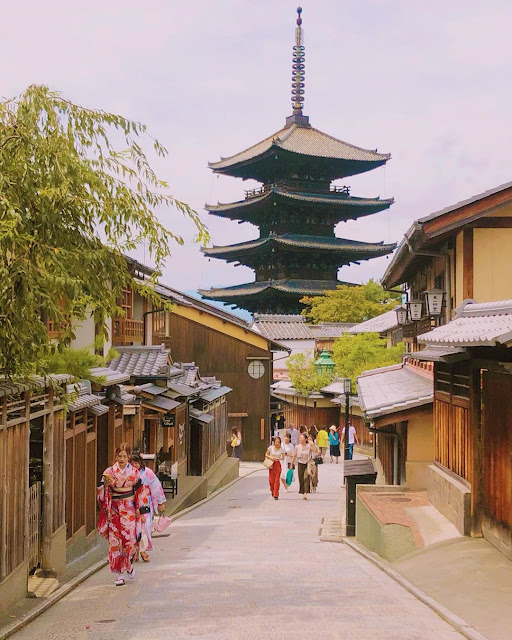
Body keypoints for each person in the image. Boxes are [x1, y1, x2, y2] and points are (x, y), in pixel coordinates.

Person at [97, 443, 149, 586]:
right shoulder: (109, 472)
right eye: (119, 456)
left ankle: (129, 565)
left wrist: (142, 510)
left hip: (130, 510)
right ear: (116, 456)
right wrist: (105, 485)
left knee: (131, 541)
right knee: (115, 543)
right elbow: (101, 491)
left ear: (128, 457)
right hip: (114, 511)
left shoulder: (134, 472)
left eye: (124, 456)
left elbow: (140, 491)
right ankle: (120, 574)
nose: (121, 459)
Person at [129, 453, 166, 563]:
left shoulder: (148, 473)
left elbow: (156, 487)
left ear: (140, 463)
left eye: (136, 463)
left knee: (145, 527)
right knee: (134, 528)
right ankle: (138, 551)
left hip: (145, 502)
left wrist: (160, 502)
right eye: (132, 463)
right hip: (131, 502)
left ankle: (141, 550)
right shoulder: (128, 474)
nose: (134, 465)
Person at [291, 433, 312, 500]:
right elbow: (294, 456)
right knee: (301, 478)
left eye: (302, 438)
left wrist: (312, 444)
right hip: (300, 464)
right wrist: (292, 464)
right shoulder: (297, 447)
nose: (301, 439)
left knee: (306, 477)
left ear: (305, 439)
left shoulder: (309, 446)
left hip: (307, 463)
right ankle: (303, 491)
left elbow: (315, 451)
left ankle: (305, 493)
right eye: (300, 438)